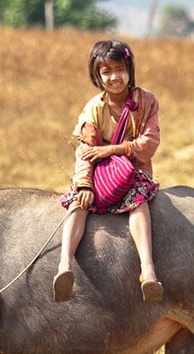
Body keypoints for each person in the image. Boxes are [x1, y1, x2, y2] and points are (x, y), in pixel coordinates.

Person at [54, 39, 162, 303]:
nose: (115, 77)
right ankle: (64, 267)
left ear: (129, 69)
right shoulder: (92, 110)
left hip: (133, 173)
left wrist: (111, 150)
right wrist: (85, 186)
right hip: (99, 175)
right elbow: (85, 153)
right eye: (106, 72)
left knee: (139, 202)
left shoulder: (146, 102)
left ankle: (147, 269)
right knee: (77, 204)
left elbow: (149, 144)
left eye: (120, 69)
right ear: (97, 76)